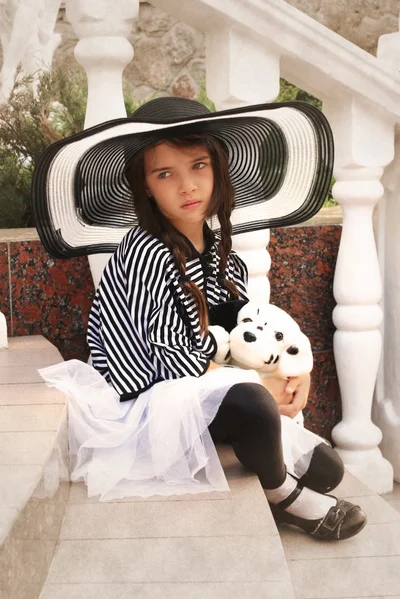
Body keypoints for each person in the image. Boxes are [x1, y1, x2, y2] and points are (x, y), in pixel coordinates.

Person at [35, 97, 366, 541]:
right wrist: (257, 389)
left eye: (198, 165)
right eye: (165, 173)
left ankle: (255, 442)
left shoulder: (219, 250)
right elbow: (167, 360)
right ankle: (281, 495)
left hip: (202, 385)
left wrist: (291, 373)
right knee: (251, 405)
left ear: (219, 170)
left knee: (328, 468)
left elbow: (247, 330)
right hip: (146, 398)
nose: (187, 186)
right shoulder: (144, 250)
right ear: (146, 186)